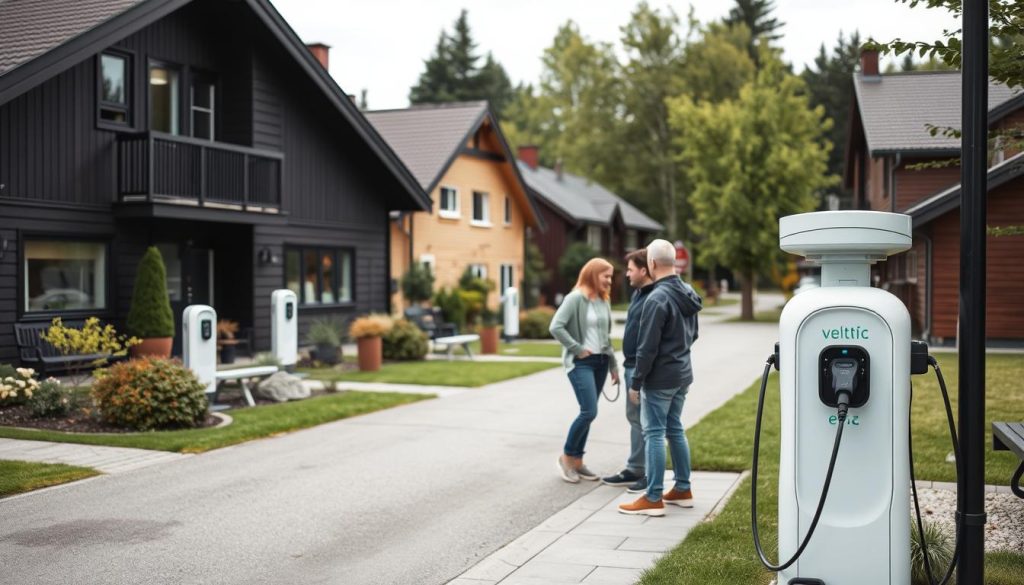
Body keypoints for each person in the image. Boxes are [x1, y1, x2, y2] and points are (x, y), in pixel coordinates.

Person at [618, 239, 702, 516]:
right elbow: (694, 334)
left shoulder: (656, 298)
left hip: (660, 377)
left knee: (653, 432)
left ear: (651, 263)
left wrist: (636, 381)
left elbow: (647, 346)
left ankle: (653, 497)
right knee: (675, 428)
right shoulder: (688, 291)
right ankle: (682, 488)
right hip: (682, 373)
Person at [550, 257, 620, 483]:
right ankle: (566, 458)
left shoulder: (603, 300)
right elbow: (556, 326)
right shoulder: (575, 298)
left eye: (611, 276)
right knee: (589, 411)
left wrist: (613, 366)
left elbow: (606, 337)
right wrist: (577, 348)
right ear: (592, 274)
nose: (610, 280)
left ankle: (578, 462)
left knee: (589, 413)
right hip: (581, 363)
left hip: (600, 362)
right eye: (606, 276)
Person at [601, 249, 655, 492]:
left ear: (644, 270)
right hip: (631, 365)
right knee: (635, 419)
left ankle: (649, 474)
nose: (627, 275)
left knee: (647, 422)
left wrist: (639, 375)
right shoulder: (638, 294)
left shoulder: (654, 297)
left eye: (631, 269)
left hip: (641, 368)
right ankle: (635, 468)